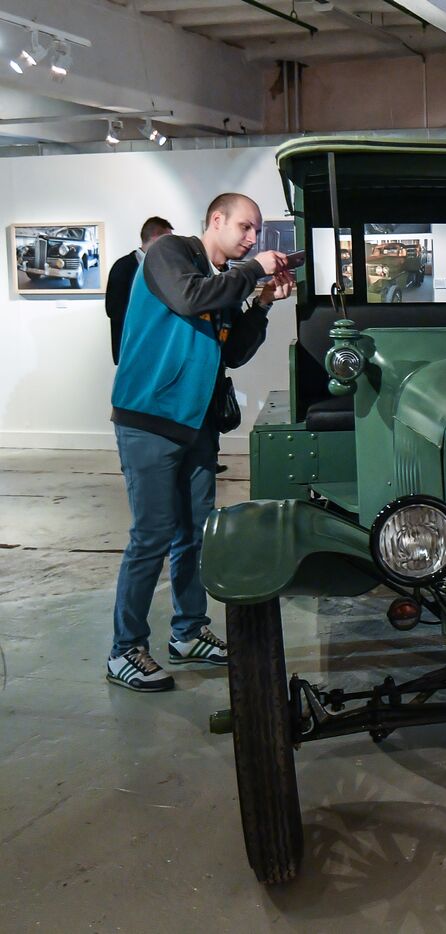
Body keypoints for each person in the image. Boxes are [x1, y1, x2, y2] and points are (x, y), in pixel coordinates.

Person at [106, 192, 291, 692]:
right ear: (216, 220)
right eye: (246, 227)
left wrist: (262, 305)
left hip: (196, 425)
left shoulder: (225, 281)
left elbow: (232, 355)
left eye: (256, 232)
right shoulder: (172, 254)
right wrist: (252, 271)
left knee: (194, 534)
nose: (253, 238)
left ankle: (188, 632)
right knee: (152, 535)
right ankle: (125, 649)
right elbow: (188, 299)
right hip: (148, 419)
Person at [105, 216, 173, 365]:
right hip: (132, 349)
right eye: (168, 240)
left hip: (157, 349)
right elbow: (114, 309)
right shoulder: (123, 267)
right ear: (156, 238)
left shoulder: (163, 267)